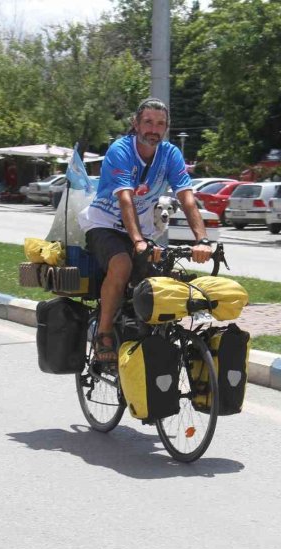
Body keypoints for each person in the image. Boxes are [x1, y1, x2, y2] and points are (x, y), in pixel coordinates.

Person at [78, 98, 212, 364]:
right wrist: (138, 241)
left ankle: (146, 336)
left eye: (160, 124)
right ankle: (103, 333)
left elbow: (186, 197)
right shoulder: (121, 150)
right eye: (148, 122)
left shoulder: (170, 154)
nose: (154, 129)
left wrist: (203, 239)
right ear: (136, 124)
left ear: (166, 128)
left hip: (141, 231)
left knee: (164, 276)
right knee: (121, 264)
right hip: (104, 224)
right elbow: (125, 198)